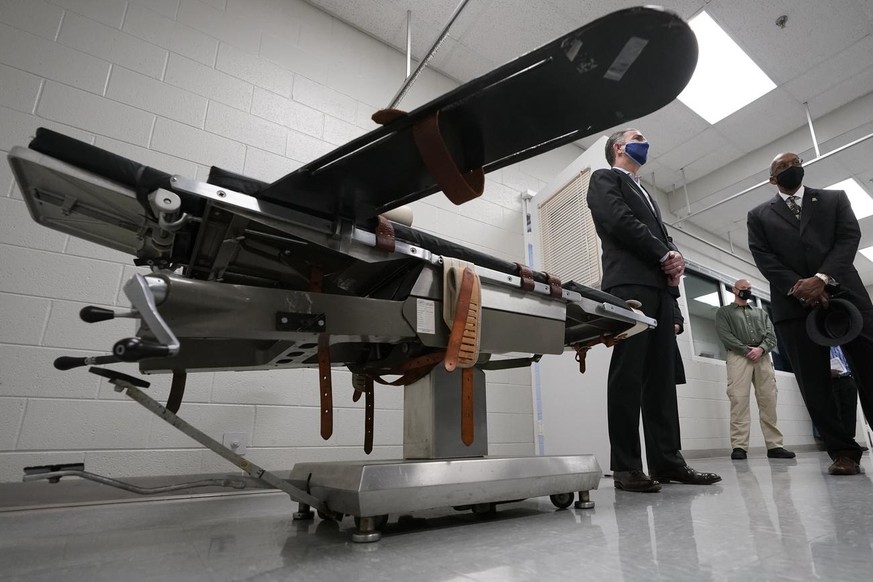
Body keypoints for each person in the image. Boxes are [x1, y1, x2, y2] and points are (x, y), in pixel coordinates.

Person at [587, 128, 721, 492]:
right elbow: (618, 221)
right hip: (629, 285)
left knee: (661, 379)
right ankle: (627, 467)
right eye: (637, 137)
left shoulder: (646, 193)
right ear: (619, 147)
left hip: (661, 291)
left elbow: (659, 234)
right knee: (628, 373)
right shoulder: (604, 179)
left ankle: (667, 462)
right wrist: (664, 253)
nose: (645, 141)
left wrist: (674, 257)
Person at [747, 151, 873, 476]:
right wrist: (799, 287)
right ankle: (843, 451)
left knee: (869, 367)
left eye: (795, 163)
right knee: (814, 384)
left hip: (846, 295)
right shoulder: (759, 215)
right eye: (782, 167)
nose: (791, 169)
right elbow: (764, 257)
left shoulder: (833, 199)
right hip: (794, 306)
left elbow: (848, 238)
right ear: (772, 179)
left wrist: (822, 279)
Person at [715, 279, 795, 460]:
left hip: (763, 356)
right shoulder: (724, 312)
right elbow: (725, 335)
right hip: (738, 356)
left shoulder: (760, 312)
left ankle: (775, 446)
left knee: (769, 400)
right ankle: (739, 447)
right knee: (739, 401)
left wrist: (761, 349)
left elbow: (771, 335)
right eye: (744, 288)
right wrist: (745, 350)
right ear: (734, 290)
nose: (747, 291)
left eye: (749, 289)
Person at [829, 346, 859, 438]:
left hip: (848, 379)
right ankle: (839, 443)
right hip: (830, 381)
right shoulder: (822, 347)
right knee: (835, 411)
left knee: (850, 412)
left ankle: (851, 441)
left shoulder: (844, 346)